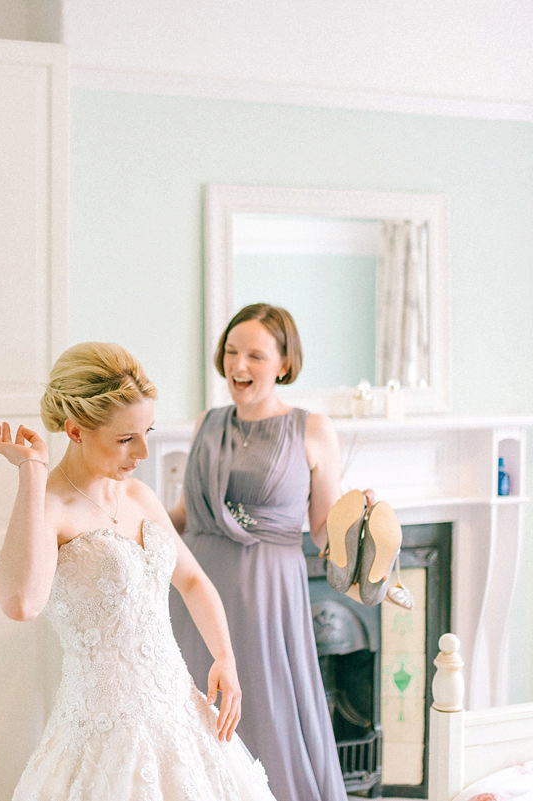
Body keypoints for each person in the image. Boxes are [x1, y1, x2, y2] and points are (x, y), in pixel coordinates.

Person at [0, 341, 277, 801]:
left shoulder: (139, 496)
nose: (142, 451)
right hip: (103, 736)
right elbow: (21, 602)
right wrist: (33, 473)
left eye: (147, 432)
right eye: (125, 439)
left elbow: (193, 580)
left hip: (179, 713)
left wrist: (225, 657)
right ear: (75, 431)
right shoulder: (51, 508)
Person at [168, 302, 394, 801]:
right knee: (191, 720)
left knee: (267, 715)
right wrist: (120, 523)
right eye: (230, 352)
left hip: (265, 596)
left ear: (284, 364)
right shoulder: (207, 421)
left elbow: (321, 531)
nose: (238, 366)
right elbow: (182, 515)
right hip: (195, 590)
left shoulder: (312, 429)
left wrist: (359, 522)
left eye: (254, 355)